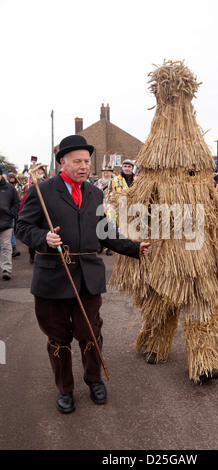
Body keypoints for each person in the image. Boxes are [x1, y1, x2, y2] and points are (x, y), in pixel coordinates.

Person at [16, 134, 151, 414]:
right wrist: (44, 238)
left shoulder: (95, 193)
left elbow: (105, 232)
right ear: (62, 162)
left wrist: (134, 247)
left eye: (86, 161)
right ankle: (64, 389)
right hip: (53, 277)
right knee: (58, 338)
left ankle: (94, 379)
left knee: (90, 332)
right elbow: (23, 228)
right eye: (77, 161)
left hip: (88, 277)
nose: (83, 166)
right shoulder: (42, 191)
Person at [0, 166, 20, 280]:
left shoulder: (9, 188)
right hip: (6, 220)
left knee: (6, 247)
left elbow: (16, 202)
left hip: (5, 222)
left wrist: (11, 214)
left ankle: (6, 269)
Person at [95, 165, 114, 255]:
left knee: (110, 228)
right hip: (100, 207)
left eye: (108, 172)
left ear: (111, 173)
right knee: (100, 227)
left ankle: (109, 248)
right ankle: (100, 246)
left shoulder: (115, 182)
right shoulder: (98, 182)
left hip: (111, 208)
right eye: (104, 172)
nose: (106, 174)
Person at [8, 173, 21, 257]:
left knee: (11, 232)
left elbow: (16, 201)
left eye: (13, 178)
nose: (11, 179)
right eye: (10, 178)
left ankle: (13, 248)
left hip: (8, 215)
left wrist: (12, 212)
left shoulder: (13, 187)